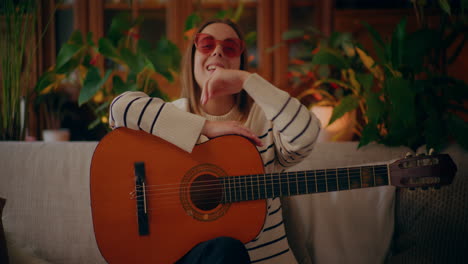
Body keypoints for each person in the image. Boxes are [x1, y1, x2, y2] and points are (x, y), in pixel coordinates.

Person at [109, 19, 321, 264]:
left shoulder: (267, 122)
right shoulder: (173, 116)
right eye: (206, 45)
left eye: (230, 48)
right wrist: (206, 128)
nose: (218, 51)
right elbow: (118, 109)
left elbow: (307, 135)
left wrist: (248, 81)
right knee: (223, 250)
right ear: (192, 58)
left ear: (241, 61)